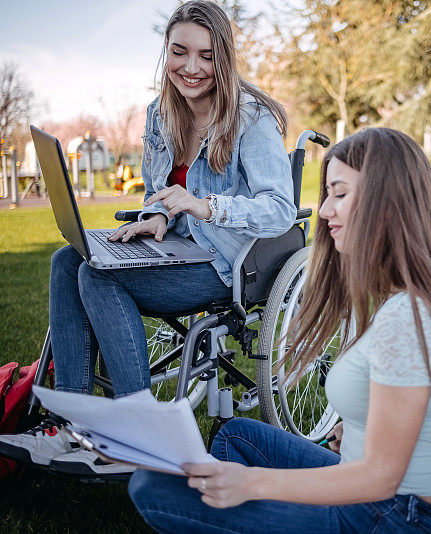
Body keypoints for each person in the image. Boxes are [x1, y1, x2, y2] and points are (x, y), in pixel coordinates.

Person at [127, 127, 431, 533]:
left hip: (389, 516)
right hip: (394, 499)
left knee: (152, 486)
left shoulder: (406, 320)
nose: (323, 211)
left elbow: (380, 477)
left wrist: (252, 484)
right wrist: (355, 428)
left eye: (340, 194)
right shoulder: (419, 297)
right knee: (237, 436)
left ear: (388, 203)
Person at [0, 0, 295, 476]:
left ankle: (132, 433)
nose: (192, 68)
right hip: (173, 246)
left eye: (206, 56)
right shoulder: (160, 113)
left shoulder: (251, 119)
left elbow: (279, 210)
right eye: (180, 52)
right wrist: (155, 216)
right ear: (167, 51)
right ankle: (68, 426)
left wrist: (206, 206)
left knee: (98, 277)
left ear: (223, 58)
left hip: (224, 261)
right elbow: (160, 187)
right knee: (65, 259)